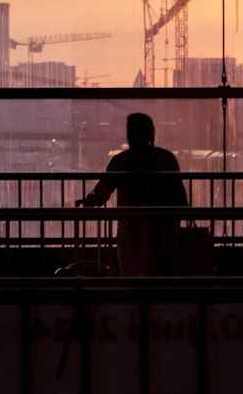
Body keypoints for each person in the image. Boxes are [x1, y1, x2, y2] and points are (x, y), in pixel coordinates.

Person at [75, 113, 188, 277]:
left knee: (130, 274)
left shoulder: (121, 162)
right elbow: (179, 192)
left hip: (130, 227)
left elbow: (103, 190)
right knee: (160, 274)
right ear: (151, 133)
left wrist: (88, 202)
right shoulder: (166, 159)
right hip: (162, 226)